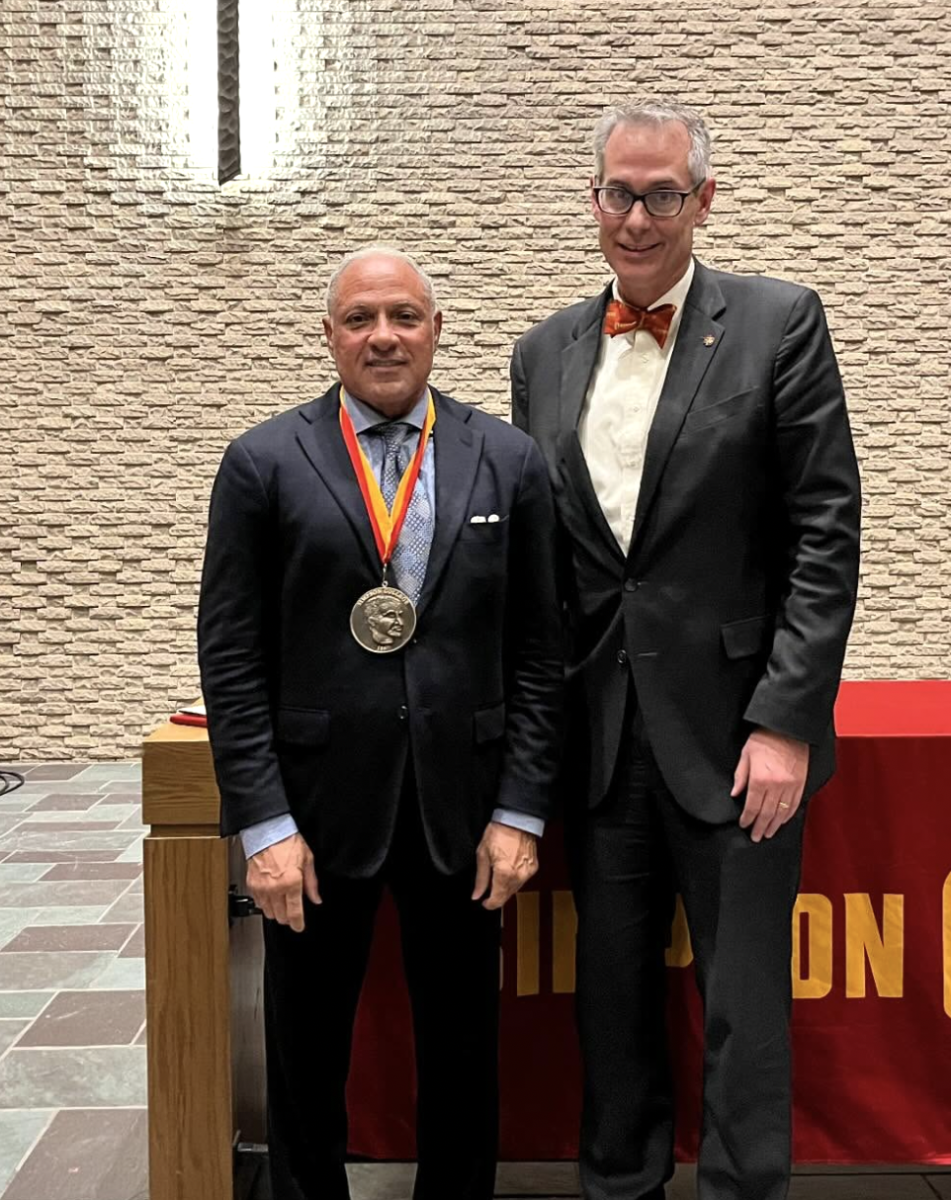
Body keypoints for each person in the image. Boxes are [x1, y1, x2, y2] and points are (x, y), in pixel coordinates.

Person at [511, 101, 861, 1200]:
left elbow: (824, 531)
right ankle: (619, 1185)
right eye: (620, 190)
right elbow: (544, 555)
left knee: (745, 1012)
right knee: (609, 1007)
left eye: (664, 192)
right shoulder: (544, 352)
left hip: (737, 741)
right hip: (601, 740)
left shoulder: (779, 321)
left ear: (703, 199)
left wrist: (786, 721)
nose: (638, 214)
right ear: (593, 198)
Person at [198, 247, 563, 1200]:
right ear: (329, 337)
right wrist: (264, 827)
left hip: (465, 812)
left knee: (462, 1053)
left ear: (437, 330)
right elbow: (232, 660)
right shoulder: (263, 461)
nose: (383, 335)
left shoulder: (511, 461)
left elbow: (538, 652)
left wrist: (521, 810)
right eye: (359, 319)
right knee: (306, 1056)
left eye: (403, 314)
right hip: (314, 818)